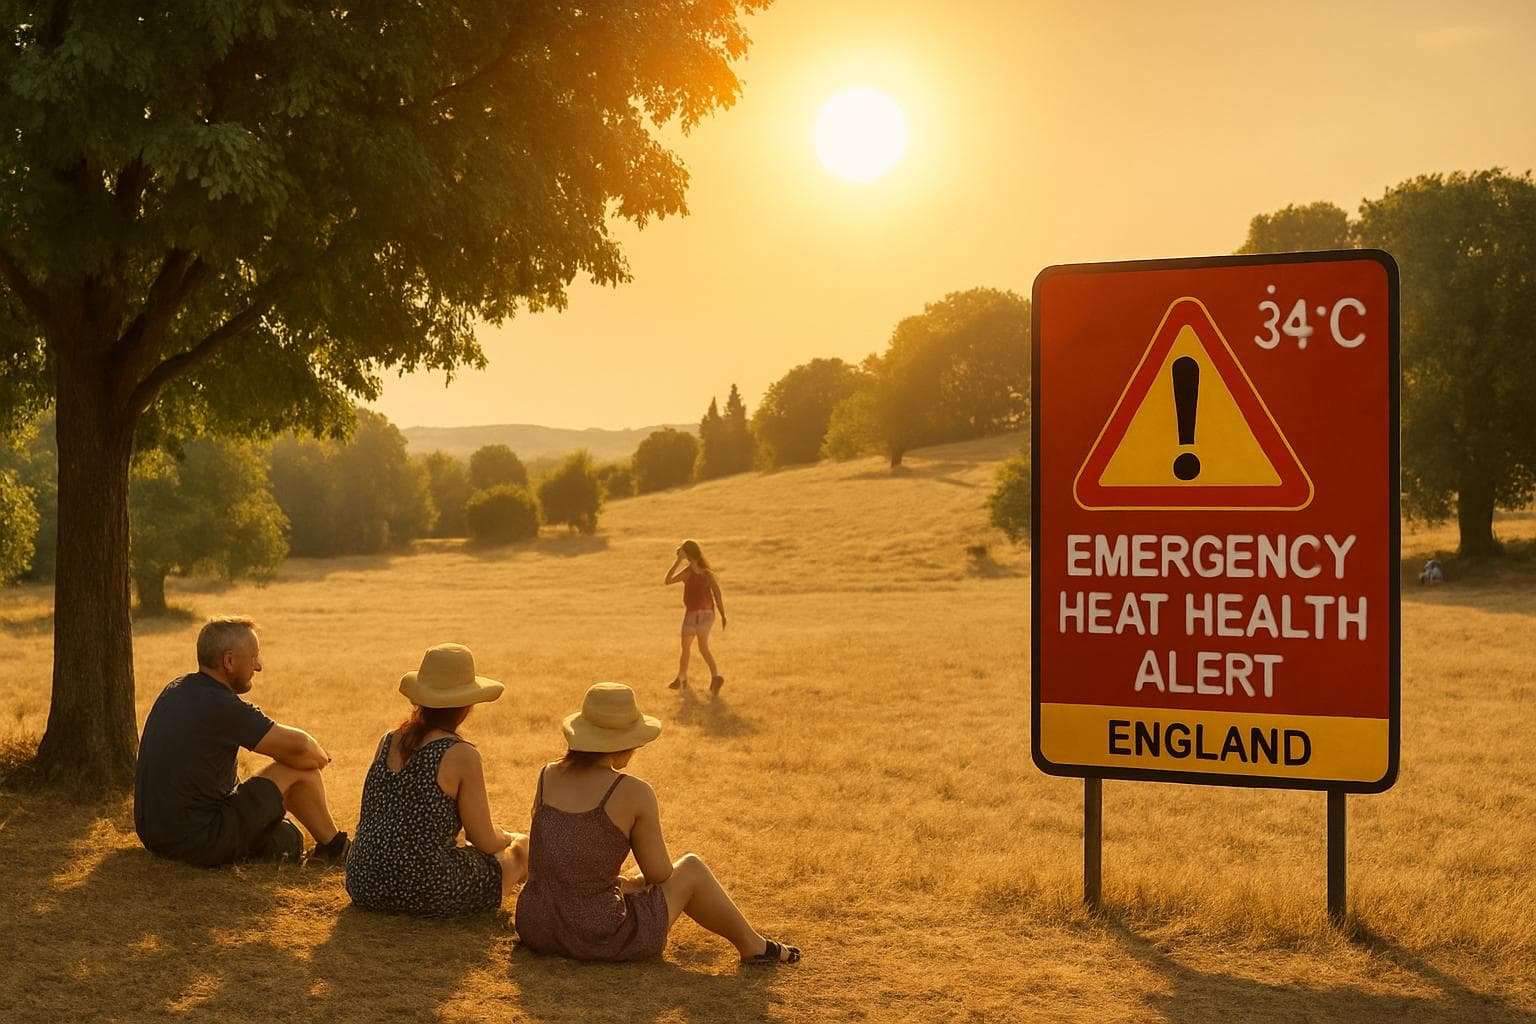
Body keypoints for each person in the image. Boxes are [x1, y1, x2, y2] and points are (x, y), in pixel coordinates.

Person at [514, 682, 800, 965]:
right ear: (626, 742)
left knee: (636, 875)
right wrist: (635, 881)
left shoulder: (547, 775)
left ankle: (754, 945)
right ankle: (753, 946)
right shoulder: (633, 791)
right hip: (595, 934)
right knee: (691, 868)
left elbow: (560, 857)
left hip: (536, 925)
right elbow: (661, 873)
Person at [134, 615, 350, 867]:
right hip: (199, 840)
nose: (258, 666)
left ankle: (326, 845)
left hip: (156, 835)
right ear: (229, 660)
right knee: (296, 773)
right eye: (254, 657)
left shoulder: (177, 689)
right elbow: (303, 750)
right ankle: (337, 848)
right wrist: (320, 755)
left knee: (286, 836)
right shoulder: (221, 705)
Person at [345, 643, 529, 916]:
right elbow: (485, 841)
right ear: (467, 704)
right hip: (428, 887)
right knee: (522, 848)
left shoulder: (388, 740)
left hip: (363, 880)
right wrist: (508, 836)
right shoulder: (460, 753)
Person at [664, 539, 727, 693]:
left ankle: (689, 679)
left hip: (698, 615)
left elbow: (668, 580)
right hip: (701, 614)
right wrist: (722, 615)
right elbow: (668, 581)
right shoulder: (699, 574)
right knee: (696, 648)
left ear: (689, 554)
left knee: (692, 648)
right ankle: (686, 678)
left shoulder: (694, 573)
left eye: (684, 553)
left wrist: (678, 560)